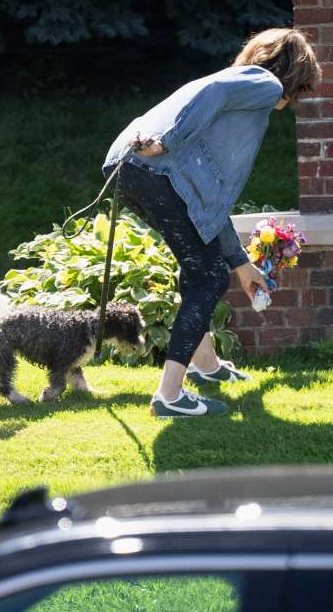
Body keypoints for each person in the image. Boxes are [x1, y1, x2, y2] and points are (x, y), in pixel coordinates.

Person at [102, 27, 321, 417]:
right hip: (154, 167)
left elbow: (208, 206)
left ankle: (206, 366)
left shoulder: (239, 86)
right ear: (294, 74)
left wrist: (240, 262)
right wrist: (167, 142)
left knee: (202, 267)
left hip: (129, 167)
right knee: (207, 277)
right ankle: (169, 396)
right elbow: (213, 97)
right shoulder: (265, 83)